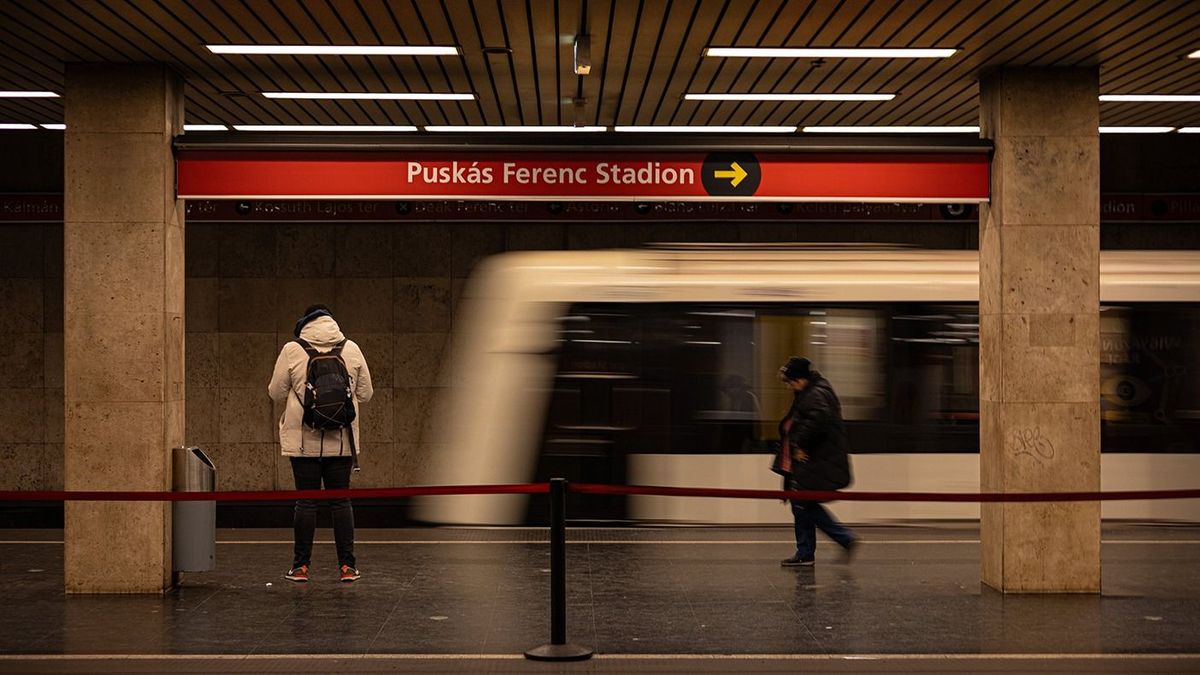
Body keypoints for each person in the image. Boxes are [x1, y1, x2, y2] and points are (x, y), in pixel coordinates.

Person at [269, 304, 373, 583]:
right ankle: (347, 567)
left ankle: (300, 567)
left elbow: (276, 392)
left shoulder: (292, 350)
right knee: (341, 501)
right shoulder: (351, 348)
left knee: (306, 502)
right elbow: (366, 393)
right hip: (341, 442)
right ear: (332, 322)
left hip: (304, 443)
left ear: (305, 324)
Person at [771, 356, 857, 566]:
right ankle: (808, 551)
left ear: (801, 379)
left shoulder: (815, 394)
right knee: (801, 504)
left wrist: (799, 445)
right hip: (812, 461)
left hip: (815, 460)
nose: (790, 386)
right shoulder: (810, 392)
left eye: (791, 382)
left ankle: (836, 540)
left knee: (803, 505)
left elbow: (817, 421)